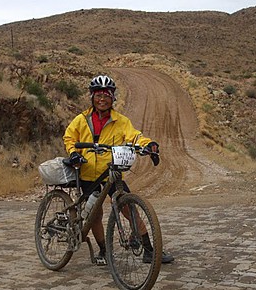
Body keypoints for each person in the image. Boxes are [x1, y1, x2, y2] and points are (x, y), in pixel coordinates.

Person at [63, 74, 174, 265]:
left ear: (113, 97)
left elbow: (134, 136)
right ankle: (104, 251)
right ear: (92, 97)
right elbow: (69, 137)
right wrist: (73, 152)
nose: (102, 99)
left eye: (107, 95)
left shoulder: (121, 121)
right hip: (88, 173)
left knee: (130, 210)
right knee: (94, 215)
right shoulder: (81, 119)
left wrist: (148, 145)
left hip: (112, 173)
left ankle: (149, 251)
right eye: (98, 95)